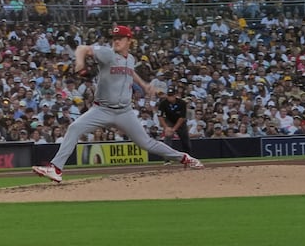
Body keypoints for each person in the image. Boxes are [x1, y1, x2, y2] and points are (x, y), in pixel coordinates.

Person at [33, 26, 204, 183]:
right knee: (74, 128)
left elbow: (130, 71)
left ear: (129, 41)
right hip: (102, 109)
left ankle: (184, 158)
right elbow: (82, 48)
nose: (116, 40)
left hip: (124, 112)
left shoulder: (130, 58)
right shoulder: (108, 53)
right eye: (114, 37)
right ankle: (56, 169)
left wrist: (143, 85)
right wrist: (80, 63)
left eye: (121, 38)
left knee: (146, 143)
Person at [157, 86, 191, 157]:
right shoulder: (163, 103)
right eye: (169, 95)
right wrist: (166, 127)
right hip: (169, 120)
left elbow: (182, 117)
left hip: (180, 122)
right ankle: (167, 158)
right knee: (167, 138)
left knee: (185, 140)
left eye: (172, 95)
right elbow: (160, 116)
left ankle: (187, 156)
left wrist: (174, 129)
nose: (170, 97)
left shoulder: (181, 103)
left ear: (175, 95)